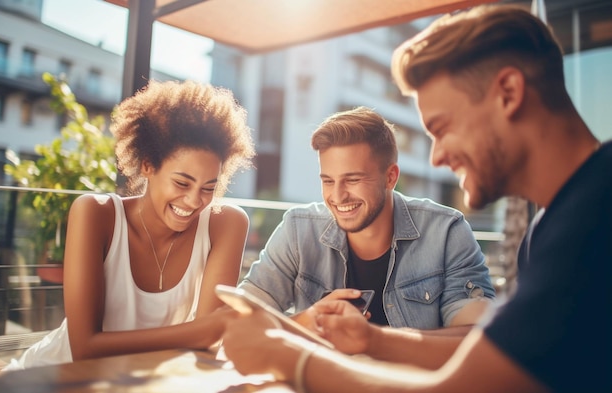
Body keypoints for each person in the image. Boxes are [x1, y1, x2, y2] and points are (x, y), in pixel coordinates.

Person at [221, 4, 612, 393]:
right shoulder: (552, 227)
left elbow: (465, 383)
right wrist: (369, 340)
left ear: (508, 93)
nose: (436, 156)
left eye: (442, 128)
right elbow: (499, 360)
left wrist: (290, 356)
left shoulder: (593, 217)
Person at [4, 80, 255, 370]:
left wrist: (204, 335)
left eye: (208, 187)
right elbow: (84, 349)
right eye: (181, 183)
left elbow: (207, 345)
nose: (193, 201)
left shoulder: (226, 224)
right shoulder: (96, 214)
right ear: (148, 165)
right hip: (52, 376)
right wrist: (199, 332)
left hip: (137, 382)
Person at [239, 106, 495, 331]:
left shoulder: (447, 232)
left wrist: (376, 341)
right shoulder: (298, 229)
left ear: (390, 177)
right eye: (328, 181)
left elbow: (476, 337)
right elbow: (239, 318)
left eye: (353, 179)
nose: (337, 196)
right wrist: (310, 320)